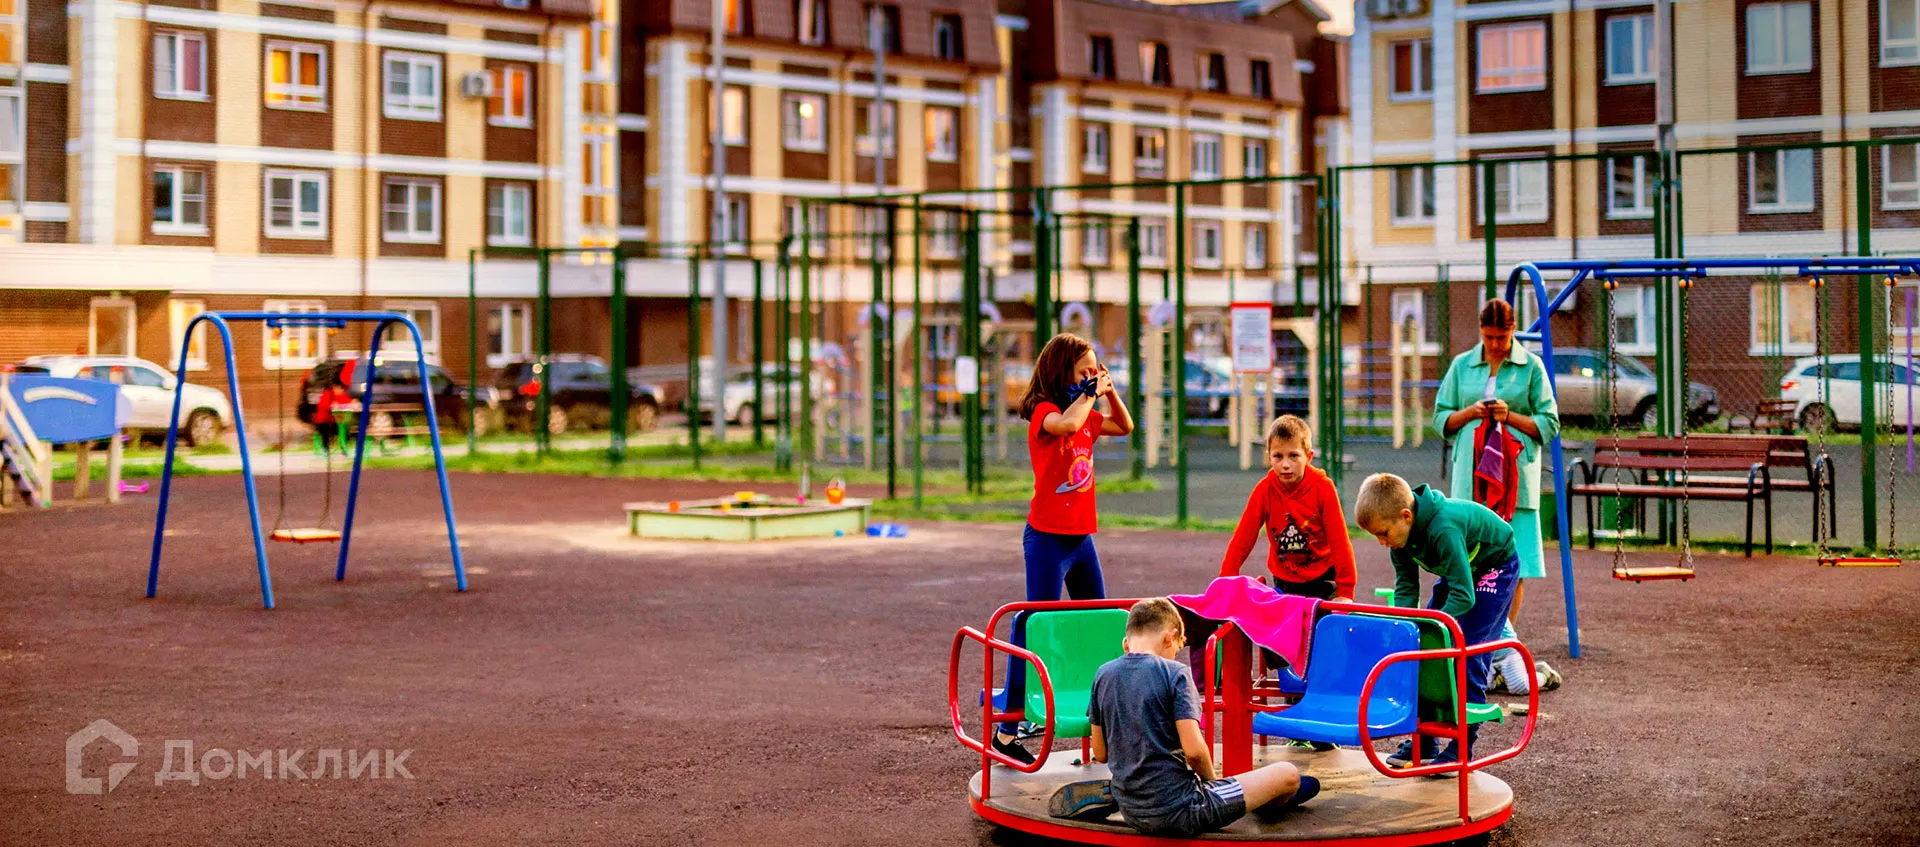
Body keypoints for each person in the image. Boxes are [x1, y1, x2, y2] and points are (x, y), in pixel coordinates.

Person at [993, 332, 1136, 765]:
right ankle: (1008, 728)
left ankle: (1102, 716)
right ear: (1062, 373)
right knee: (1034, 624)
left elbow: (1125, 426)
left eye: (1095, 369)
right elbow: (1067, 425)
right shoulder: (1045, 411)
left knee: (1099, 622)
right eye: (1084, 371)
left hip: (1080, 539)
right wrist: (1091, 394)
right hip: (1047, 539)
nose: (1091, 377)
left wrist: (1109, 392)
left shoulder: (1087, 411)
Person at [1182, 415, 1356, 742]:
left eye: (1294, 456)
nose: (1285, 464)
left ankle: (1320, 722)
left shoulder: (1322, 488)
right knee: (1285, 647)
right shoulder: (1265, 489)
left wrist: (1345, 590)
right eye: (1278, 456)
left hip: (1322, 580)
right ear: (1268, 457)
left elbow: (1339, 540)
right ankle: (1298, 721)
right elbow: (1243, 537)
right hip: (1286, 581)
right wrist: (1226, 583)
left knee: (1320, 651)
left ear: (1309, 456)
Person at [1089, 598, 1320, 837]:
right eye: (1177, 648)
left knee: (1267, 784)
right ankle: (1262, 801)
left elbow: (1101, 753)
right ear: (1170, 637)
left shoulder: (1103, 674)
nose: (1173, 656)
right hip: (1181, 808)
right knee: (1289, 775)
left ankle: (1119, 794)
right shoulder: (1175, 673)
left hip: (1131, 810)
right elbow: (1194, 752)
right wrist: (1212, 783)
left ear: (1126, 643)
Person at [1431, 299, 1562, 695]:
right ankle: (1481, 651)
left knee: (1513, 561)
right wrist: (1472, 412)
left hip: (1514, 478)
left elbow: (1550, 423)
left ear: (1513, 331)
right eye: (1489, 337)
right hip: (1470, 479)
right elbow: (1440, 419)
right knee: (1466, 559)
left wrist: (1510, 416)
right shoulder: (1461, 366)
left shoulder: (1531, 367)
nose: (1495, 345)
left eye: (1502, 338)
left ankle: (1496, 651)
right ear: (1480, 332)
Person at [1353, 473, 1518, 771]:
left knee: (1468, 649)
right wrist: (1405, 629)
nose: (1381, 542)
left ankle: (1462, 745)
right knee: (1422, 646)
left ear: (1406, 516)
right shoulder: (1399, 540)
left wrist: (1431, 624)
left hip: (1495, 565)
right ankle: (1427, 739)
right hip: (1463, 569)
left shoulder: (1443, 528)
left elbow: (1464, 596)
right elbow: (1406, 588)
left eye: (1383, 533)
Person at [314, 372, 352, 456]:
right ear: (335, 387)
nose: (341, 391)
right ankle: (326, 448)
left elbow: (347, 400)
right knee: (326, 430)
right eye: (339, 389)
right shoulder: (328, 393)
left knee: (344, 429)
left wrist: (352, 402)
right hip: (324, 421)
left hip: (335, 421)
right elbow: (323, 405)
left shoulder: (340, 395)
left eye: (342, 389)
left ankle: (344, 447)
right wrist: (331, 405)